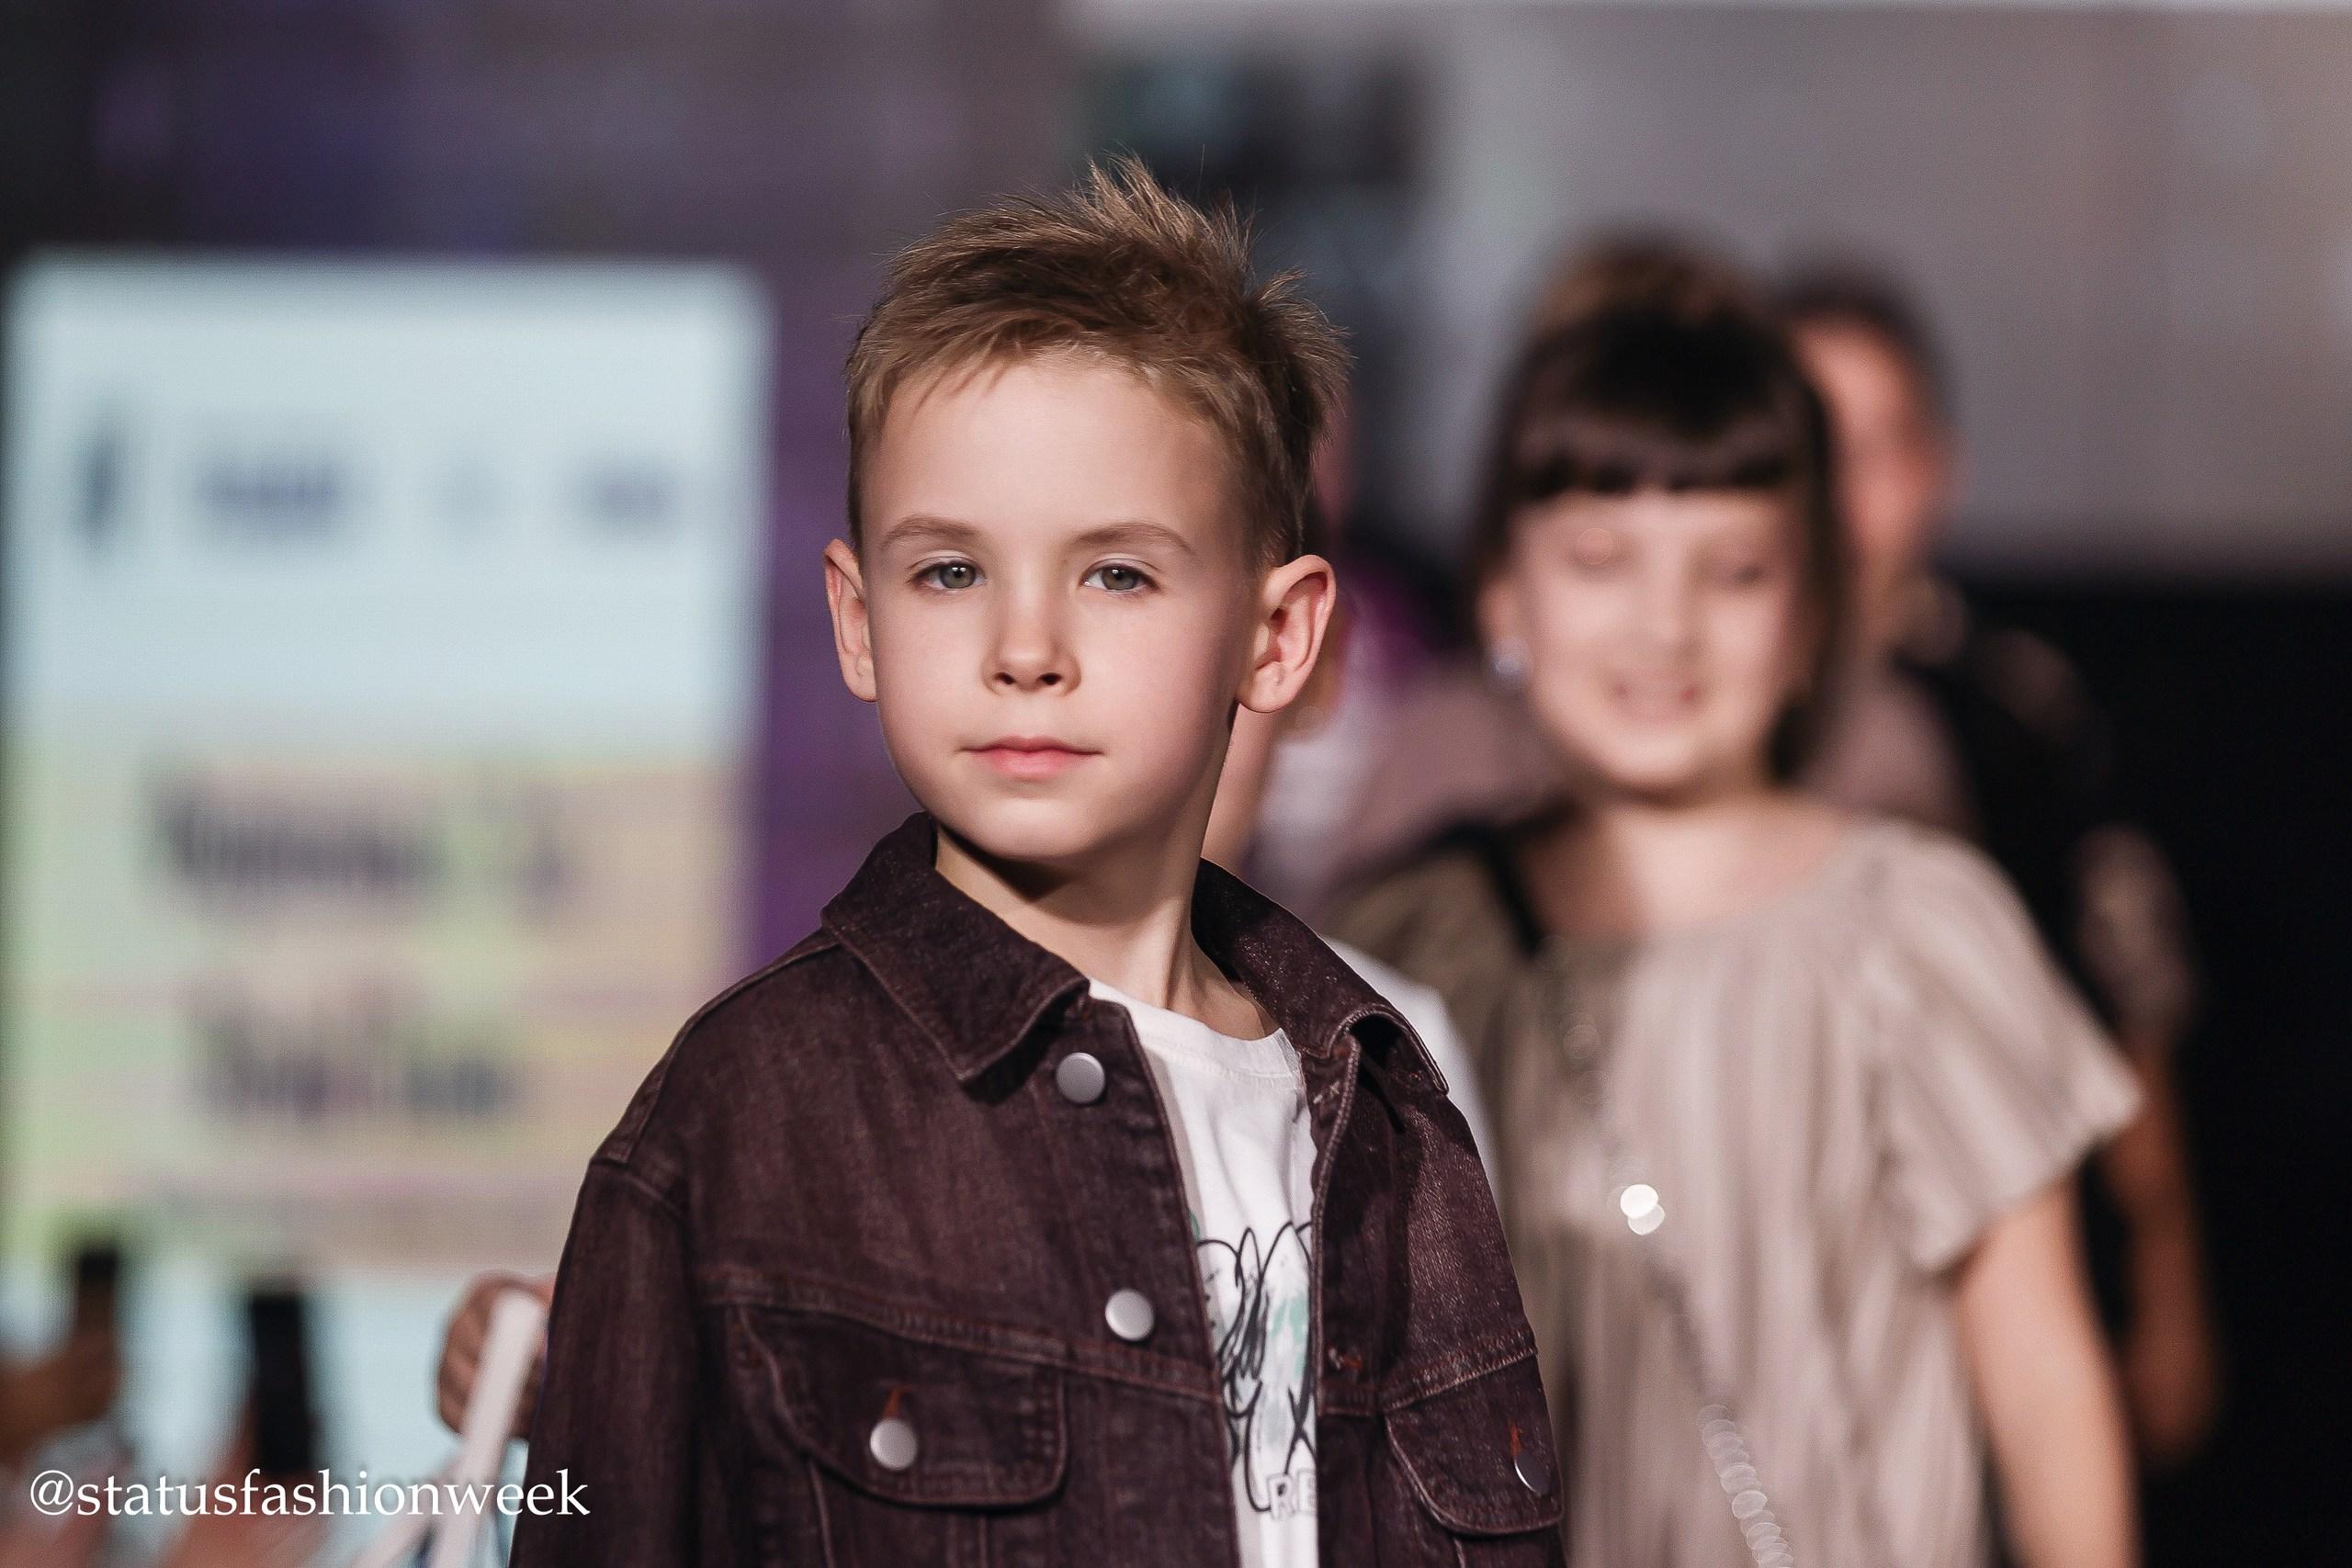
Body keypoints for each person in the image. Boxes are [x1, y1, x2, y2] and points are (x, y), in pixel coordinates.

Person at [507, 160, 1559, 1567]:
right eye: (950, 571)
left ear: (1277, 637)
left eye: (1116, 572)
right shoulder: (744, 1117)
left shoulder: (1388, 1108)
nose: (1024, 650)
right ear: (858, 618)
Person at [1331, 274, 2142, 1567]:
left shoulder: (1915, 931)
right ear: (1503, 595)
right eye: (1600, 561)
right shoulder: (1410, 951)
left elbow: (2044, 1380)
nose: (1665, 625)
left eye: (1736, 571)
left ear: (1813, 611)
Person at [1781, 265, 2220, 1467]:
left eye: (1875, 449)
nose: (1838, 492)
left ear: (1938, 469)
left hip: (1982, 1254)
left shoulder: (2014, 711)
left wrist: (2167, 1280)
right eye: (1806, 443)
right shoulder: (1692, 701)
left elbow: (2126, 1000)